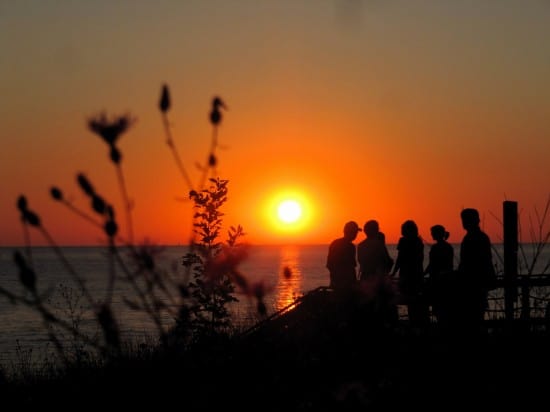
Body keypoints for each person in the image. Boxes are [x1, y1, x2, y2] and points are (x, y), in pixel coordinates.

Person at [456, 208, 496, 333]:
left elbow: (469, 263)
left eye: (465, 220)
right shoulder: (480, 237)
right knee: (476, 318)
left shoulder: (474, 238)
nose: (463, 222)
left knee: (473, 319)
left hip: (473, 284)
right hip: (477, 282)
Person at [356, 219, 398, 325]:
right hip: (378, 281)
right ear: (376, 230)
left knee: (367, 308)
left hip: (365, 279)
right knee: (384, 308)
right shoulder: (379, 245)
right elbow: (386, 261)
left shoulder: (360, 245)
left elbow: (361, 262)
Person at [391, 220, 429, 328]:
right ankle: (418, 325)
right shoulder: (418, 242)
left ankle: (413, 325)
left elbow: (400, 258)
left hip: (407, 275)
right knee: (416, 301)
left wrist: (394, 272)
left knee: (408, 299)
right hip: (417, 274)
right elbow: (419, 259)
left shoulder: (403, 241)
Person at [424, 224, 454, 326]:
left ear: (437, 234)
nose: (431, 234)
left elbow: (432, 264)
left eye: (432, 233)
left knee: (438, 309)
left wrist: (423, 273)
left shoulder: (436, 248)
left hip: (437, 282)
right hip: (447, 281)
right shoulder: (448, 247)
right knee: (445, 310)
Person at [326, 221, 362, 294]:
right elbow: (351, 267)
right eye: (355, 232)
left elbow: (329, 265)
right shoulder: (350, 247)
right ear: (351, 232)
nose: (356, 234)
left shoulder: (334, 243)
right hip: (346, 285)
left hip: (335, 283)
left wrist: (335, 278)